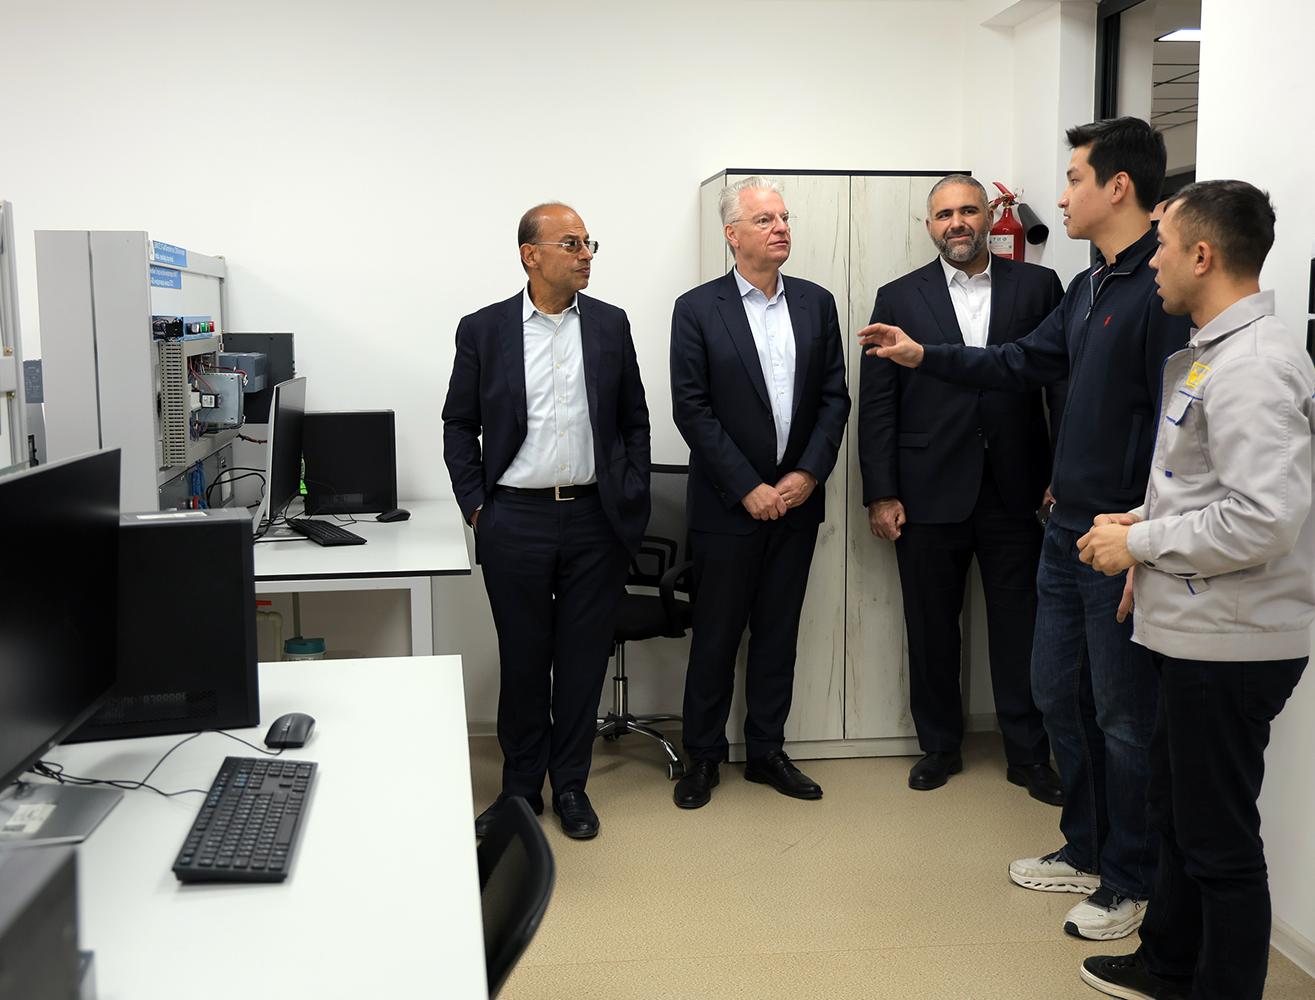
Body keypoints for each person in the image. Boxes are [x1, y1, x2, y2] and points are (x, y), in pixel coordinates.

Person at [859, 118, 1192, 941]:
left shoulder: (1159, 288)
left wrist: (1146, 529)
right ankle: (1086, 847)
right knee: (1059, 694)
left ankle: (1129, 878)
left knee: (1121, 716)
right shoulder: (1088, 287)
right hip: (1063, 526)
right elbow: (1019, 364)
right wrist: (922, 355)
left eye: (1074, 178)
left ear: (1118, 186)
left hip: (1116, 533)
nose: (1061, 196)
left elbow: (1176, 424)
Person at [1076, 180, 1315, 1000]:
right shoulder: (1217, 352)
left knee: (1218, 841)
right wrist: (1142, 527)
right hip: (1194, 628)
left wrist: (1141, 544)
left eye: (1163, 245)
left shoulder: (1254, 365)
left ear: (1203, 254)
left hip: (1232, 643)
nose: (1153, 263)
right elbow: (1209, 488)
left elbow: (1264, 520)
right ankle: (1168, 963)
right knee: (1178, 817)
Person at [442, 203, 651, 840]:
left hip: (594, 520)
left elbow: (634, 420)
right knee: (525, 659)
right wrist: (477, 506)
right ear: (530, 255)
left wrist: (631, 493)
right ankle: (519, 789)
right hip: (515, 518)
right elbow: (459, 423)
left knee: (582, 661)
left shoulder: (611, 324)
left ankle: (571, 787)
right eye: (571, 243)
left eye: (589, 243)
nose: (586, 254)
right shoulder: (484, 329)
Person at [858, 174, 1066, 803]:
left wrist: (1063, 475)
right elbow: (879, 402)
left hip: (1019, 487)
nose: (957, 223)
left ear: (988, 217)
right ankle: (939, 746)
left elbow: (1062, 386)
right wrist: (881, 492)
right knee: (930, 627)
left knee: (1021, 627)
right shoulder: (898, 296)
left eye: (968, 210)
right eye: (944, 214)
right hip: (926, 489)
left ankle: (1027, 754)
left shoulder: (1039, 286)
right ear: (929, 226)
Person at [669, 175, 850, 809]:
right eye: (765, 219)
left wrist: (808, 474)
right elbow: (691, 409)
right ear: (732, 234)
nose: (781, 228)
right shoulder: (697, 308)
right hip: (728, 508)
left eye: (784, 217)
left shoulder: (817, 303)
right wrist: (748, 486)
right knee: (716, 637)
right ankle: (703, 757)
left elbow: (834, 398)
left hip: (796, 505)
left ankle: (767, 751)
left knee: (778, 634)